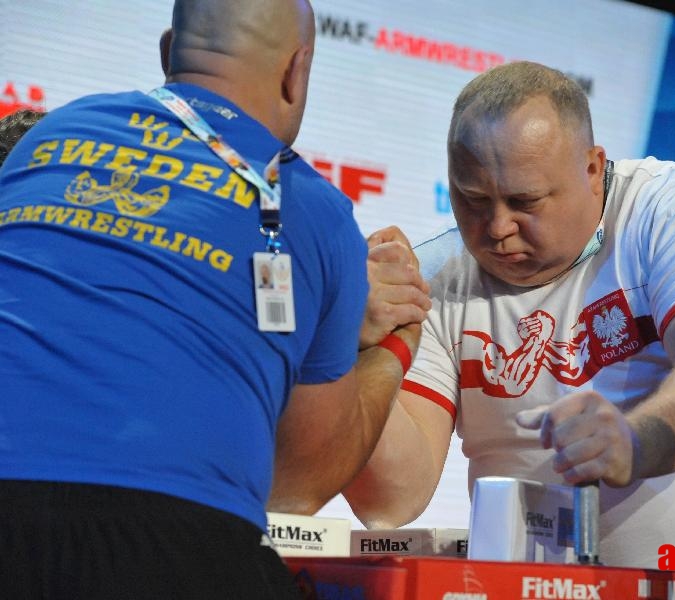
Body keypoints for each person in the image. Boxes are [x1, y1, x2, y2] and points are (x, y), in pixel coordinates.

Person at [0, 1, 427, 598]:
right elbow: (297, 485)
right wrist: (393, 350)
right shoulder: (309, 207)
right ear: (295, 71)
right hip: (165, 544)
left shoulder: (38, 142)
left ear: (170, 48)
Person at [343, 60, 675, 570]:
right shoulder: (430, 280)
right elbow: (391, 501)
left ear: (592, 167)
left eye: (524, 201)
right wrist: (351, 344)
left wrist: (634, 442)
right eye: (472, 199)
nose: (496, 227)